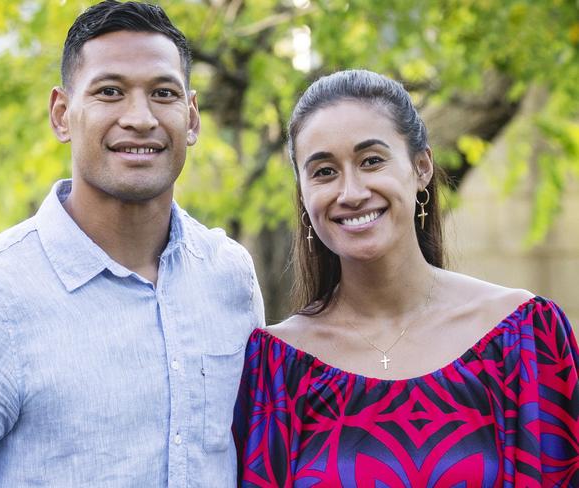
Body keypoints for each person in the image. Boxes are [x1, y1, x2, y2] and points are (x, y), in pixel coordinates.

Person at [0, 1, 264, 487]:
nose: (140, 118)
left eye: (163, 93)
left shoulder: (229, 277)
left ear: (191, 118)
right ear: (63, 115)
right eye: (110, 92)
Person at [233, 69, 578, 487]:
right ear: (304, 194)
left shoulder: (523, 336)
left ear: (421, 168)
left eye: (371, 161)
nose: (351, 192)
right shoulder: (276, 366)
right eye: (324, 171)